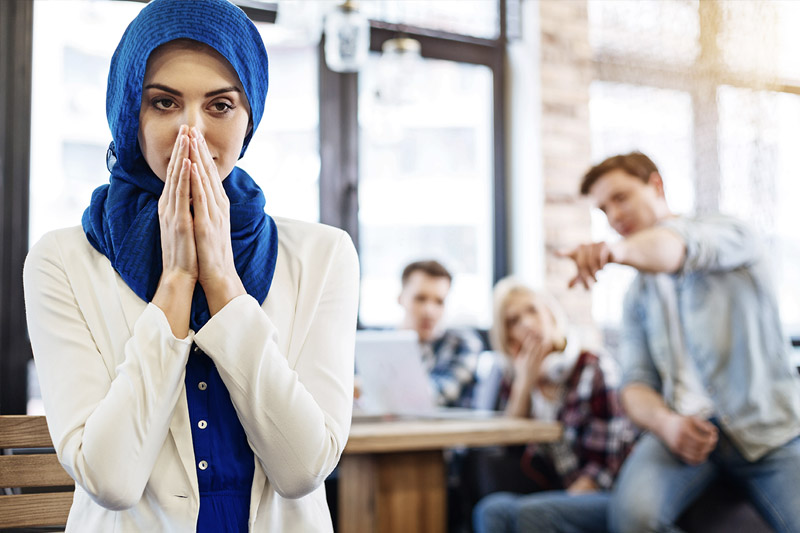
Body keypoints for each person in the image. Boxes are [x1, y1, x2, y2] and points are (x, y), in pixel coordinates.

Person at [23, 1, 359, 531]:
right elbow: (110, 479)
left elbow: (302, 470)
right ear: (128, 113)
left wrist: (223, 280)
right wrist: (177, 280)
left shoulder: (323, 254)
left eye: (220, 105)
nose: (191, 131)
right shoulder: (61, 260)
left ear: (250, 118)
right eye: (163, 102)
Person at [560, 151, 800, 533]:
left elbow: (678, 248)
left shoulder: (729, 234)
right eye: (604, 210)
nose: (614, 216)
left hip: (770, 430)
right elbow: (636, 384)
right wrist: (667, 424)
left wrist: (612, 252)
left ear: (656, 185)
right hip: (681, 434)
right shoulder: (636, 297)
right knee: (634, 520)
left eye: (620, 198)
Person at [472, 278, 637, 533]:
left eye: (532, 311)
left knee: (533, 514)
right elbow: (507, 446)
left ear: (549, 314)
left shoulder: (593, 367)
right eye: (513, 321)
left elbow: (605, 466)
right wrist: (524, 384)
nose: (527, 323)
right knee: (492, 510)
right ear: (508, 337)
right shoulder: (515, 380)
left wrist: (562, 502)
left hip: (608, 493)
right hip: (559, 492)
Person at [397, 260, 483, 408]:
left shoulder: (462, 344)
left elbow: (438, 395)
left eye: (439, 302)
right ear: (400, 298)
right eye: (420, 299)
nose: (429, 311)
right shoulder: (378, 345)